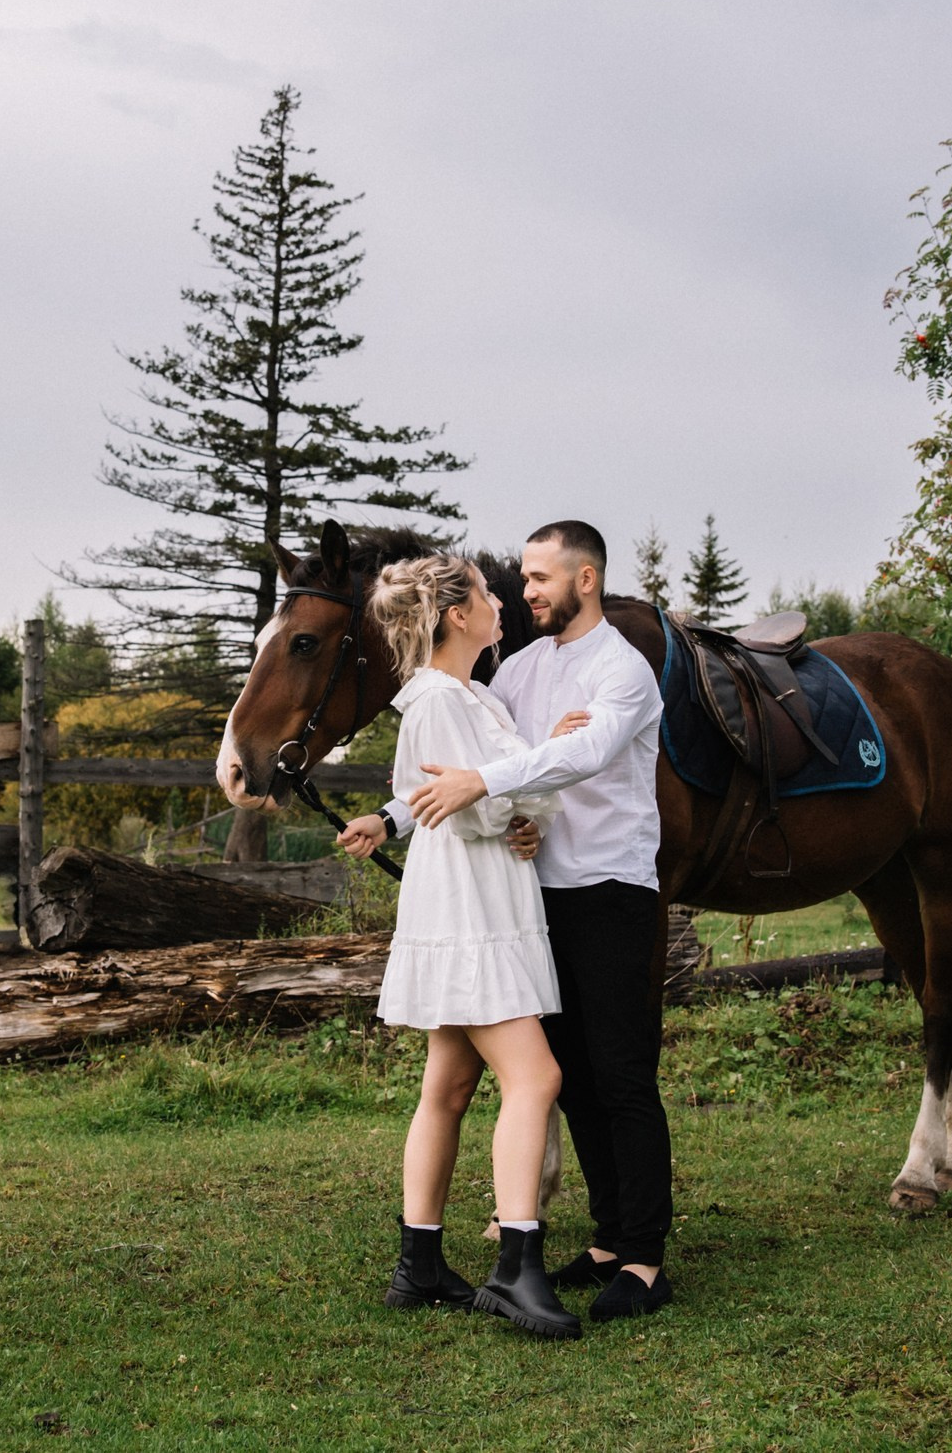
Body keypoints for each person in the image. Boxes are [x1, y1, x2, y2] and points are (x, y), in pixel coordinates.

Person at [340, 520, 675, 1322]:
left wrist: (490, 791)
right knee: (571, 1077)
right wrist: (399, 815)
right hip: (526, 892)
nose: (523, 592)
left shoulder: (624, 674)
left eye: (537, 578)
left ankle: (644, 1256)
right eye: (513, 582)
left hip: (606, 886)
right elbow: (452, 773)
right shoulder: (513, 673)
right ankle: (602, 1236)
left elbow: (569, 758)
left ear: (584, 578)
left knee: (621, 1075)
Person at [364, 553, 581, 1341]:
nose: (501, 605)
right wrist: (541, 768)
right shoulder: (433, 701)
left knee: (449, 1086)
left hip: (482, 896)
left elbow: (471, 798)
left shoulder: (471, 696)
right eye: (491, 595)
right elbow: (468, 807)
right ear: (459, 614)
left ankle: (418, 1262)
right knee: (538, 1073)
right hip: (468, 909)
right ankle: (517, 1266)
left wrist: (524, 799)